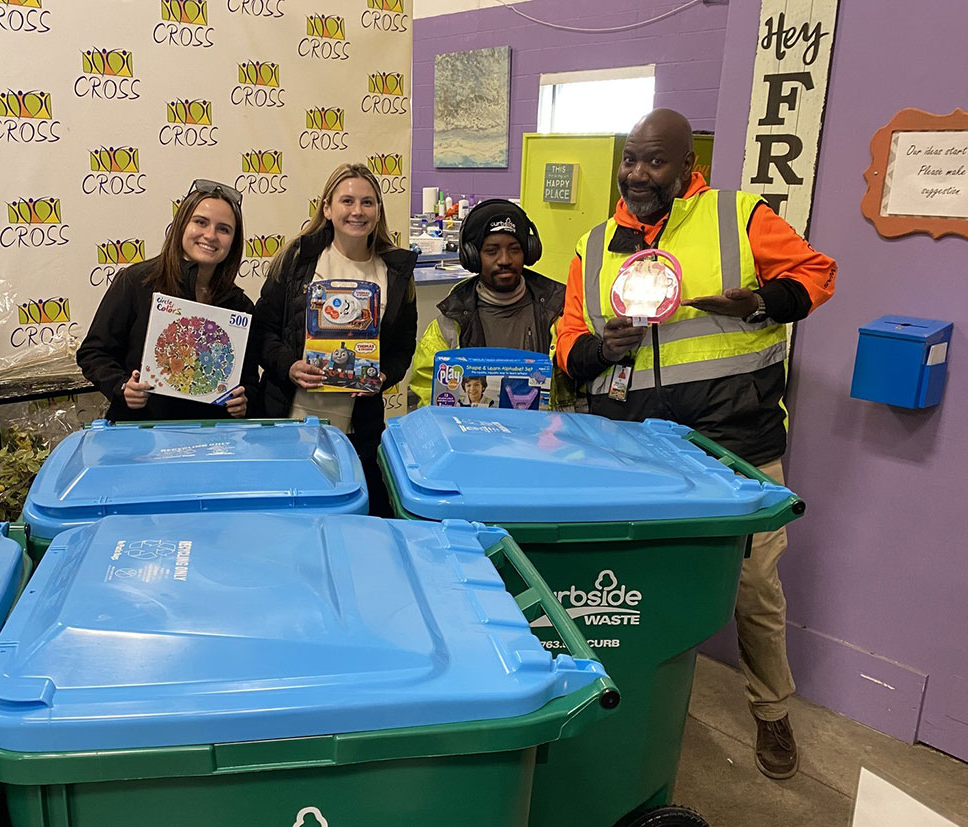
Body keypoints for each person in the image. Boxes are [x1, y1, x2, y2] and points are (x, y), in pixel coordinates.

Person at [556, 108, 837, 780]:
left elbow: (817, 274)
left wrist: (759, 302)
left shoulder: (737, 217)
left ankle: (771, 710)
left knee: (754, 586)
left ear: (688, 165)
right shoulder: (593, 246)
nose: (637, 173)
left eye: (654, 161)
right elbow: (568, 345)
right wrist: (600, 348)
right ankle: (629, 703)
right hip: (631, 450)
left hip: (734, 448)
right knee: (632, 586)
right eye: (630, 159)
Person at [256, 163, 417, 517]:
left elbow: (403, 348)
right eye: (347, 201)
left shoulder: (396, 274)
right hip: (289, 422)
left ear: (378, 211)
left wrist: (382, 377)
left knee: (353, 521)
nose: (357, 211)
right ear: (327, 208)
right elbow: (262, 331)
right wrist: (289, 366)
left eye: (367, 202)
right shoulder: (298, 260)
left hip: (357, 432)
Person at [77, 179, 260, 422]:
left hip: (210, 435)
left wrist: (244, 401)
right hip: (142, 432)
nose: (210, 235)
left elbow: (248, 380)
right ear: (182, 225)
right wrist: (121, 387)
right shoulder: (137, 281)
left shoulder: (240, 306)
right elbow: (93, 352)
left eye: (224, 229)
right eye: (201, 222)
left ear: (234, 241)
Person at [407, 199, 565, 406]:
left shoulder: (559, 313)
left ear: (528, 252)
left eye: (514, 249)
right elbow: (429, 393)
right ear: (472, 256)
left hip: (544, 427)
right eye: (492, 251)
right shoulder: (448, 326)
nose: (505, 260)